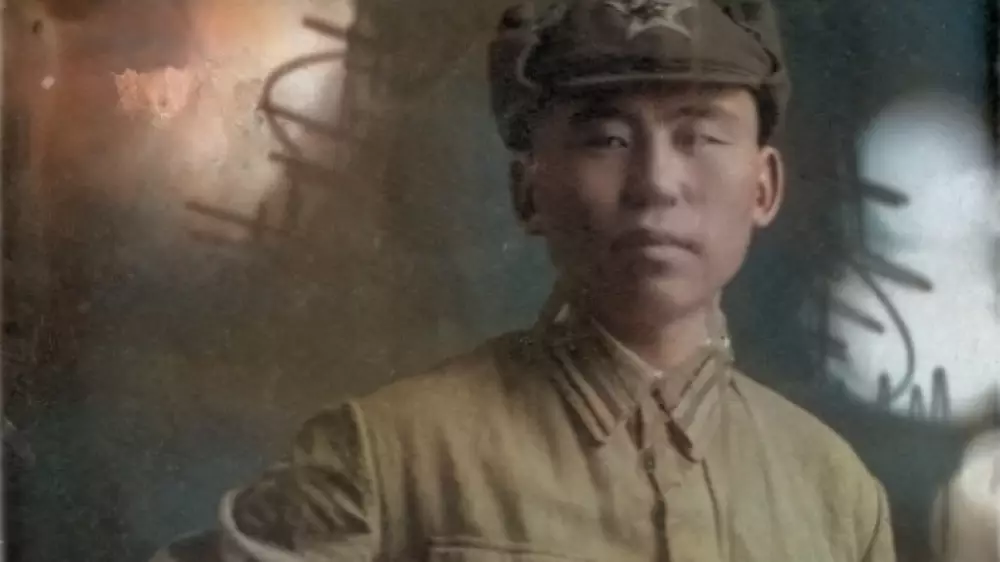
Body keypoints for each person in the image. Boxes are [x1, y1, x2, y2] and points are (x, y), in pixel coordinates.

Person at [206, 0, 898, 560]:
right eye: (607, 140)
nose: (656, 183)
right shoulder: (389, 460)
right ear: (529, 191)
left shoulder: (834, 495)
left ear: (764, 187)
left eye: (699, 137)